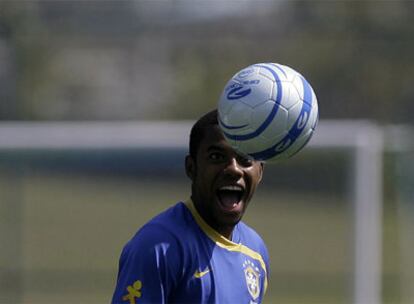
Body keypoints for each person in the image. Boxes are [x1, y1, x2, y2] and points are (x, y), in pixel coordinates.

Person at [112, 109, 269, 304]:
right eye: (216, 157)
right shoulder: (157, 247)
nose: (233, 169)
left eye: (245, 159)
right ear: (191, 168)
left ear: (260, 172)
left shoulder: (256, 250)